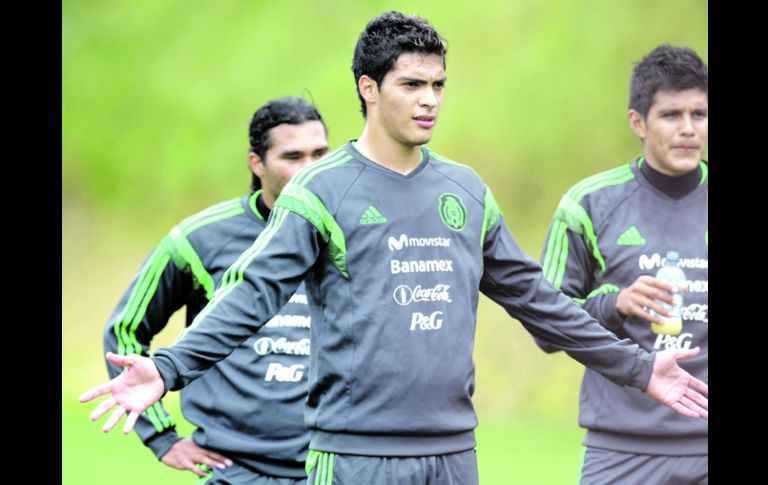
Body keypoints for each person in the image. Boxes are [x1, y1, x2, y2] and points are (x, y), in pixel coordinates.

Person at [82, 13, 707, 485]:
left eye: (438, 83)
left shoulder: (465, 189)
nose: (430, 99)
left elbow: (540, 301)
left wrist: (637, 365)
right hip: (354, 457)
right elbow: (253, 295)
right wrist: (168, 370)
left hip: (455, 455)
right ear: (369, 88)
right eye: (412, 84)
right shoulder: (322, 191)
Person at [102, 97, 329, 484]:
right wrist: (163, 437)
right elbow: (125, 332)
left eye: (320, 154)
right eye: (293, 157)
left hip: (336, 467)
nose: (310, 170)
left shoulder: (350, 231)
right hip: (239, 472)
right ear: (257, 164)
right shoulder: (199, 238)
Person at [538, 44, 708, 484]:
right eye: (671, 115)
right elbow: (545, 324)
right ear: (638, 122)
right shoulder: (588, 205)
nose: (688, 129)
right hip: (621, 449)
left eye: (699, 114)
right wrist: (617, 304)